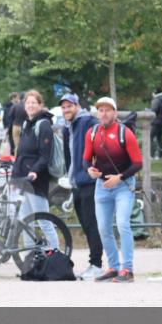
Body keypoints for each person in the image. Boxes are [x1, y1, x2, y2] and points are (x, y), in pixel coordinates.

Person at [84, 96, 143, 282]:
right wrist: (89, 170)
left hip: (123, 186)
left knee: (123, 224)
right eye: (100, 110)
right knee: (103, 228)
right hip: (101, 186)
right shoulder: (92, 133)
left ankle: (128, 269)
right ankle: (113, 267)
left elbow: (138, 163)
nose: (104, 113)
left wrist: (119, 177)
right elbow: (86, 158)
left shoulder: (125, 133)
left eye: (108, 110)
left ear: (115, 113)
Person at [59, 93, 104, 280]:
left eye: (69, 106)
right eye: (63, 107)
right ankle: (94, 264)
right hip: (76, 182)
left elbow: (100, 147)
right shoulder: (67, 128)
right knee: (86, 225)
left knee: (92, 224)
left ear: (77, 106)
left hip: (89, 182)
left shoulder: (87, 122)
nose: (66, 110)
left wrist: (94, 171)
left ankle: (96, 265)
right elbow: (69, 158)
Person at [11, 89, 60, 252]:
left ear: (40, 105)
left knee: (43, 220)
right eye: (28, 102)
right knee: (26, 222)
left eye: (34, 102)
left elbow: (44, 156)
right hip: (22, 179)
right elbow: (22, 153)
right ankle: (31, 260)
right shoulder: (27, 124)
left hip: (36, 180)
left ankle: (56, 256)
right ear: (24, 105)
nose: (30, 105)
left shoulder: (44, 124)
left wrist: (34, 171)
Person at [150, 87, 162, 159]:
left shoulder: (156, 100)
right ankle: (160, 154)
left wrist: (148, 110)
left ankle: (151, 154)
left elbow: (154, 110)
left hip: (156, 121)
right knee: (159, 137)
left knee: (150, 137)